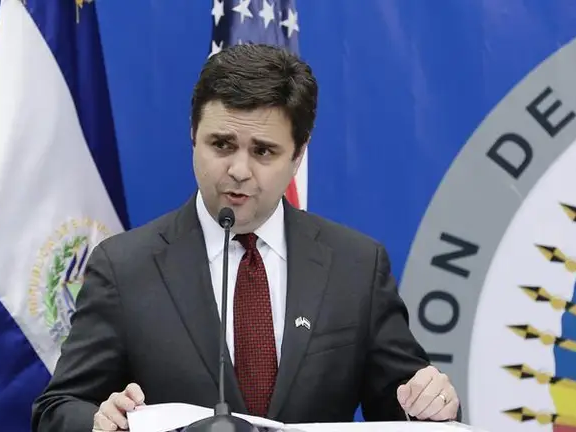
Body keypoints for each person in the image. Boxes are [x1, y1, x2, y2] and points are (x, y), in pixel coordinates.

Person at [31, 44, 460, 432]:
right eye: (221, 145)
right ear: (193, 137)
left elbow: (402, 406)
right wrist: (99, 422)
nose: (238, 170)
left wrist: (427, 405)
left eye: (263, 151)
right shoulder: (124, 267)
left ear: (298, 155)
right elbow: (57, 408)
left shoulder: (356, 266)